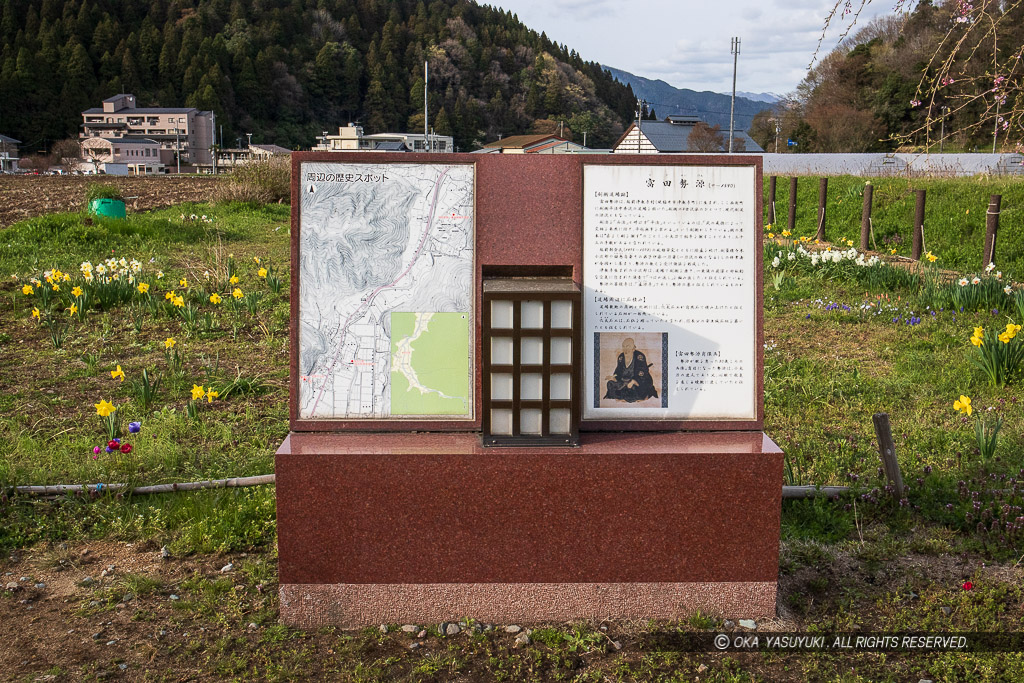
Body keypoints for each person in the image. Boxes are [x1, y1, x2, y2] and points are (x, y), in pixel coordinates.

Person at [604, 337, 658, 402]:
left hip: (638, 381)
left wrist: (634, 381)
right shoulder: (621, 357)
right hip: (624, 382)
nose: (625, 349)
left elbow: (643, 374)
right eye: (623, 346)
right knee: (610, 384)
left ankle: (632, 396)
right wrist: (614, 377)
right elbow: (618, 372)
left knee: (637, 390)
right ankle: (625, 395)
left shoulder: (639, 357)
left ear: (633, 348)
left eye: (628, 346)